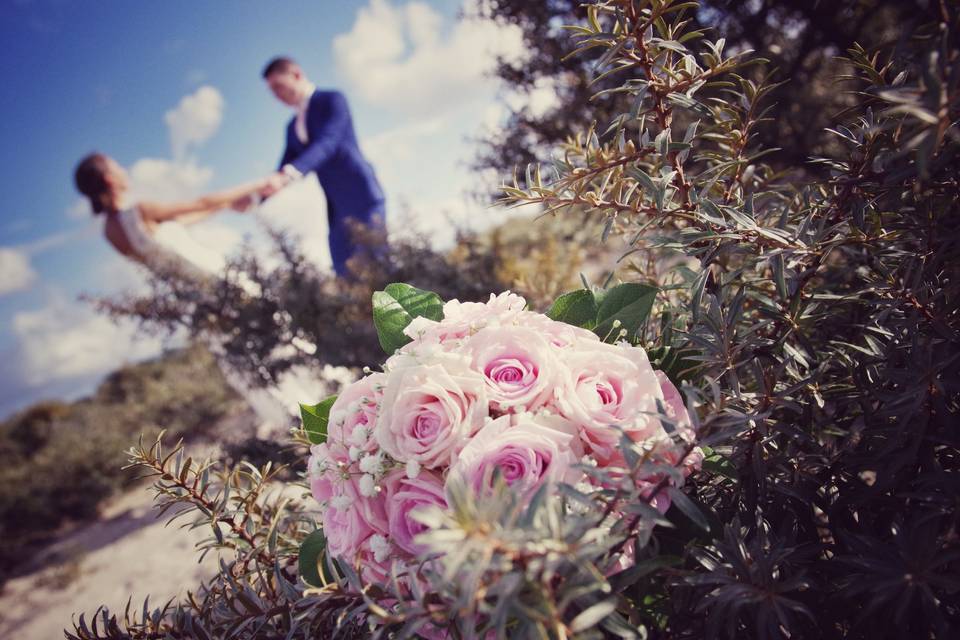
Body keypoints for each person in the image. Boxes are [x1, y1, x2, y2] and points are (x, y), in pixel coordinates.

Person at [250, 56, 386, 276]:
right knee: (345, 276)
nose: (277, 95)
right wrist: (255, 198)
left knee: (376, 271)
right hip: (336, 210)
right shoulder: (292, 128)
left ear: (296, 74)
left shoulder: (333, 100)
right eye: (272, 92)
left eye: (278, 86)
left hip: (363, 199)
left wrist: (288, 175)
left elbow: (328, 143)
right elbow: (282, 169)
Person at [73, 152, 265, 281]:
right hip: (217, 274)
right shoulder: (140, 211)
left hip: (194, 297)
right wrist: (259, 184)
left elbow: (177, 226)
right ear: (110, 179)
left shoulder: (110, 234)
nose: (123, 170)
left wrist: (227, 205)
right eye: (117, 167)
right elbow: (201, 203)